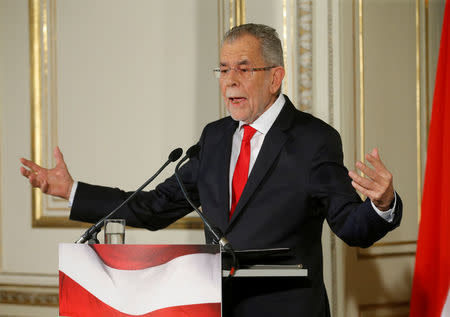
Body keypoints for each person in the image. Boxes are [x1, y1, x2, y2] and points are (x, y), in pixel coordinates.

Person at [20, 23, 402, 317]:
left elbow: (351, 227)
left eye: (242, 68)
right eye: (222, 70)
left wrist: (382, 203)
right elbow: (155, 208)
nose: (229, 80)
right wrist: (72, 191)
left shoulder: (312, 139)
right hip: (212, 307)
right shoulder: (215, 138)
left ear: (275, 77)